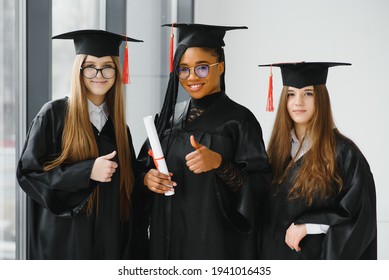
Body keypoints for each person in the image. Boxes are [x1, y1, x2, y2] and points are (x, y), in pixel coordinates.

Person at [137, 23, 270, 259]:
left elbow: (260, 189)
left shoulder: (239, 121)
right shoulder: (168, 117)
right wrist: (148, 179)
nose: (191, 78)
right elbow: (139, 170)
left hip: (214, 246)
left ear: (220, 67)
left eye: (201, 68)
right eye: (183, 70)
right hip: (165, 243)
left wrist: (220, 164)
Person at [16, 29, 145, 259]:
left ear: (117, 71)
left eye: (107, 66)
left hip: (110, 246)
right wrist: (87, 172)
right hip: (65, 244)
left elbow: (131, 190)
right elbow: (29, 174)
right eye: (90, 66)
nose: (99, 74)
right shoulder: (53, 115)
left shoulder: (120, 129)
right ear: (79, 70)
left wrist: (148, 178)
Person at [258, 62, 377, 259]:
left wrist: (309, 226)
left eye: (308, 93)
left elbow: (360, 216)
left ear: (320, 99)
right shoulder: (276, 153)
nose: (298, 102)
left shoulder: (344, 154)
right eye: (291, 94)